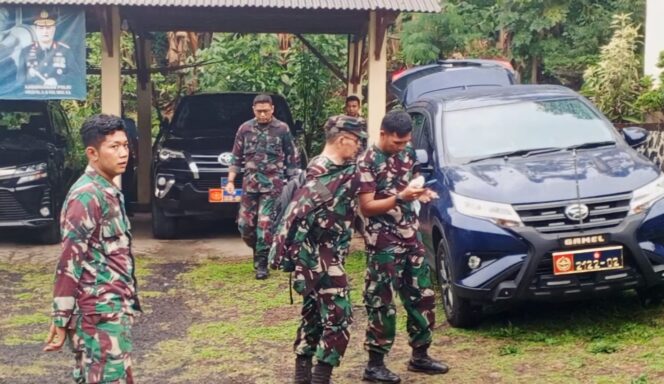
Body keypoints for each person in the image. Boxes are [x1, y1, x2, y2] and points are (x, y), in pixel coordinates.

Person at [43, 114, 141, 384]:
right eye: (114, 147)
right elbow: (68, 262)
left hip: (112, 310)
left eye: (125, 145)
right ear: (92, 153)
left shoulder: (107, 190)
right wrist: (61, 317)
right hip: (96, 316)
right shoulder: (86, 196)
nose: (123, 153)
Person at [270, 115, 366, 384]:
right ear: (343, 139)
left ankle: (302, 375)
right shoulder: (324, 174)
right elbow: (303, 219)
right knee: (340, 316)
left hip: (322, 255)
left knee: (313, 315)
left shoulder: (323, 166)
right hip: (319, 256)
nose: (358, 146)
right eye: (356, 141)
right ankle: (320, 376)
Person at [358, 110, 447, 383]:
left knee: (422, 295)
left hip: (411, 236)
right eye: (397, 142)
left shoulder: (407, 155)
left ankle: (420, 355)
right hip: (383, 242)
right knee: (382, 302)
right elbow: (367, 206)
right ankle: (375, 365)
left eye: (406, 141)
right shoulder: (367, 162)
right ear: (382, 134)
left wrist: (422, 192)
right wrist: (400, 197)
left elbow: (414, 183)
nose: (402, 147)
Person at [225, 94, 300, 279]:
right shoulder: (245, 129)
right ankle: (259, 249)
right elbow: (236, 157)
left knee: (265, 224)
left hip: (272, 186)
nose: (263, 114)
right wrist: (230, 181)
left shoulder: (282, 129)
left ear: (272, 109)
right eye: (259, 111)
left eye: (266, 111)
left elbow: (292, 158)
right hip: (250, 185)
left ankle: (262, 263)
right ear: (253, 110)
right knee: (245, 226)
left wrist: (294, 185)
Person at [19, 9, 75, 87]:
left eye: (48, 28)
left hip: (58, 96)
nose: (45, 32)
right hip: (32, 96)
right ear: (36, 30)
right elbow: (20, 80)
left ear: (54, 29)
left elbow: (74, 76)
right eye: (41, 28)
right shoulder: (25, 51)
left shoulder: (65, 50)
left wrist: (57, 81)